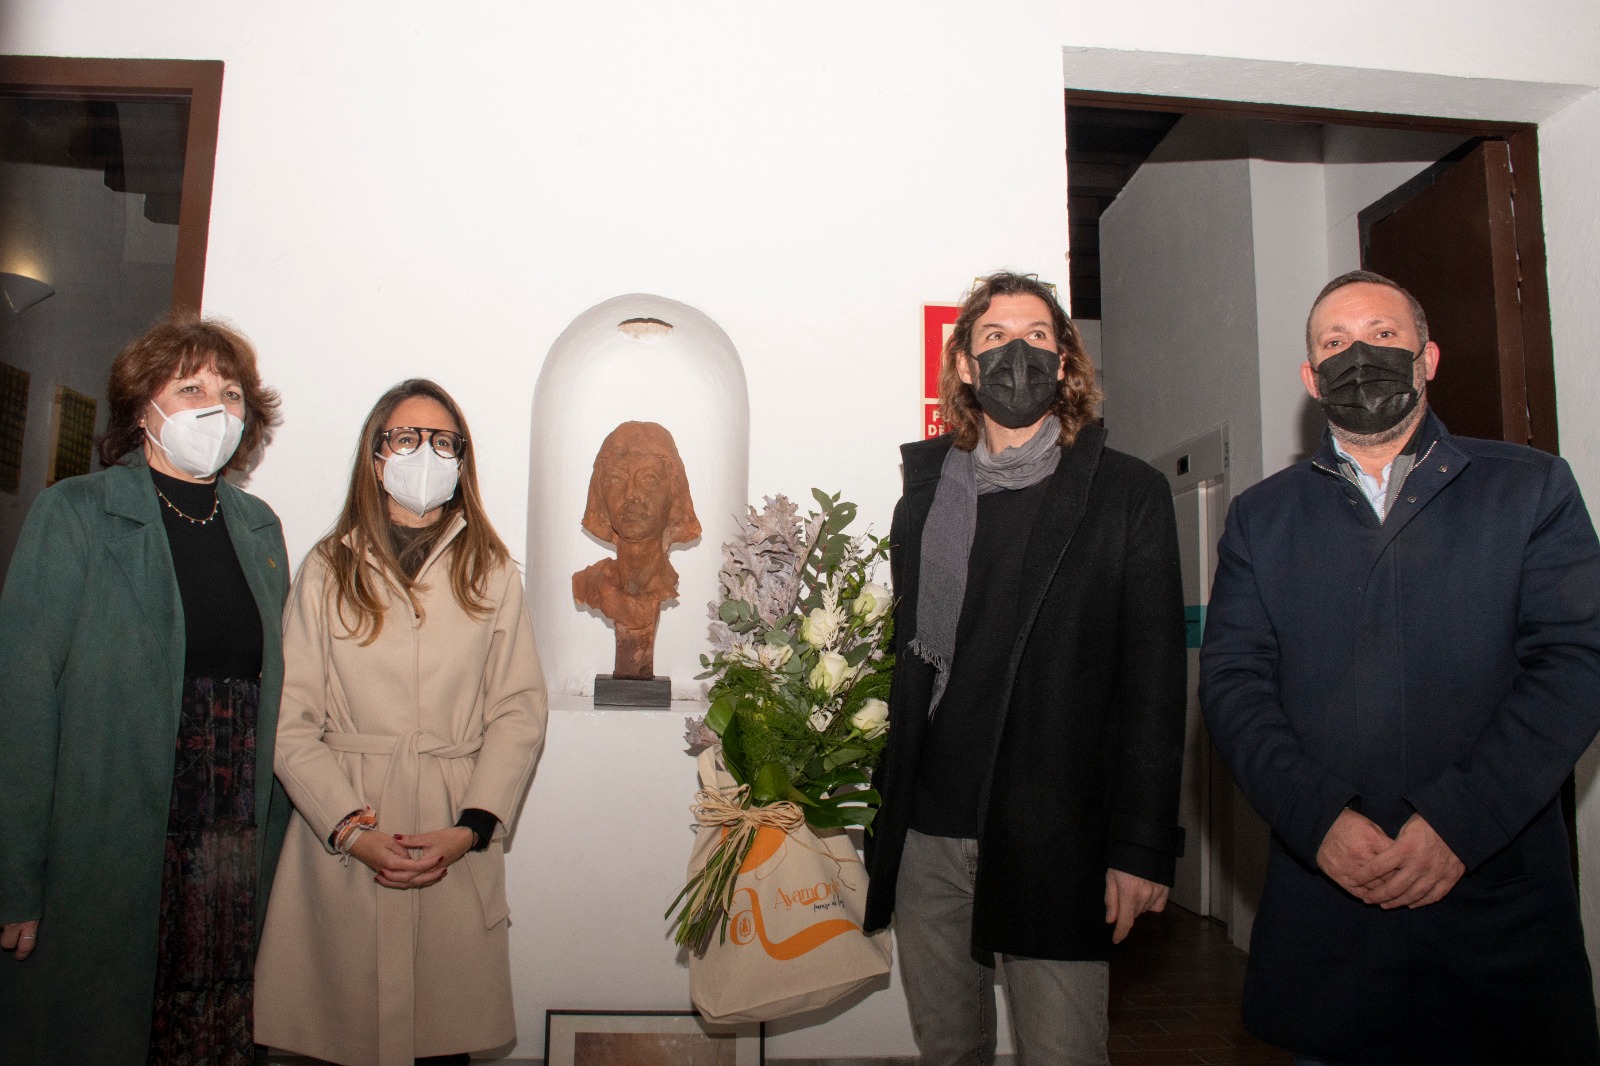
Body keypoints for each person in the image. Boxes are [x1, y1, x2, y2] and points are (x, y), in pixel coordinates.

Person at [1200, 270, 1600, 1065]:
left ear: (1429, 357)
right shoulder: (1260, 517)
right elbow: (1234, 684)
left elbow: (1574, 666)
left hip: (1496, 908)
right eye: (1334, 343)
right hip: (1329, 913)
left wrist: (1459, 823)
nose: (1359, 356)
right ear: (1311, 379)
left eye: (1382, 336)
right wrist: (1318, 820)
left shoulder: (1531, 488)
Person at [863, 271, 1187, 1066]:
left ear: (1067, 364)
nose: (1018, 352)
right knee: (949, 1051)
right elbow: (912, 660)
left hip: (1058, 833)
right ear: (966, 368)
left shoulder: (1127, 494)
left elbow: (1155, 683)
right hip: (931, 835)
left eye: (1038, 337)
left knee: (1062, 1052)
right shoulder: (925, 496)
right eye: (995, 338)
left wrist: (1142, 845)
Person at [0, 317, 290, 1065]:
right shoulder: (75, 513)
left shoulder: (259, 528)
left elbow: (276, 696)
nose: (214, 408)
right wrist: (13, 881)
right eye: (189, 386)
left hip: (229, 844)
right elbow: (22, 701)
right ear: (142, 408)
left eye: (230, 394)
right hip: (111, 844)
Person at [254, 378, 547, 1066]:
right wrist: (350, 829)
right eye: (407, 437)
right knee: (339, 1035)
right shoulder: (328, 568)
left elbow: (518, 710)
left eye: (444, 441)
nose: (426, 452)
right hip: (346, 833)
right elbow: (291, 721)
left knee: (442, 1039)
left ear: (463, 459)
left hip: (450, 828)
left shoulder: (493, 572)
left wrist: (472, 827)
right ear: (377, 454)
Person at [572, 419, 700, 679]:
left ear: (673, 494)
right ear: (600, 492)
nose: (632, 494)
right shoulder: (589, 584)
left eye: (649, 479)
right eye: (616, 479)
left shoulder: (662, 585)